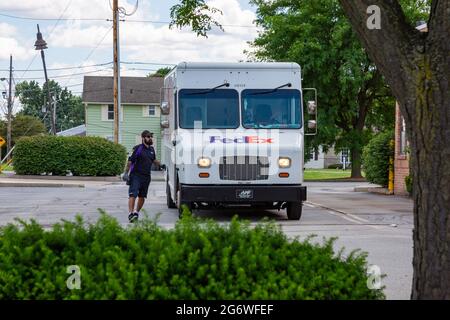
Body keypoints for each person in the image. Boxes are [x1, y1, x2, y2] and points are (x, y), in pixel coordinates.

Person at [122, 130, 158, 223]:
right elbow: (130, 161)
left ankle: (136, 213)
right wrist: (126, 173)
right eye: (148, 136)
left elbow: (154, 160)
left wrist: (161, 165)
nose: (150, 138)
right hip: (136, 175)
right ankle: (130, 214)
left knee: (142, 196)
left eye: (151, 137)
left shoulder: (151, 149)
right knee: (133, 194)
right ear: (143, 138)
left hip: (146, 177)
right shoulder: (138, 149)